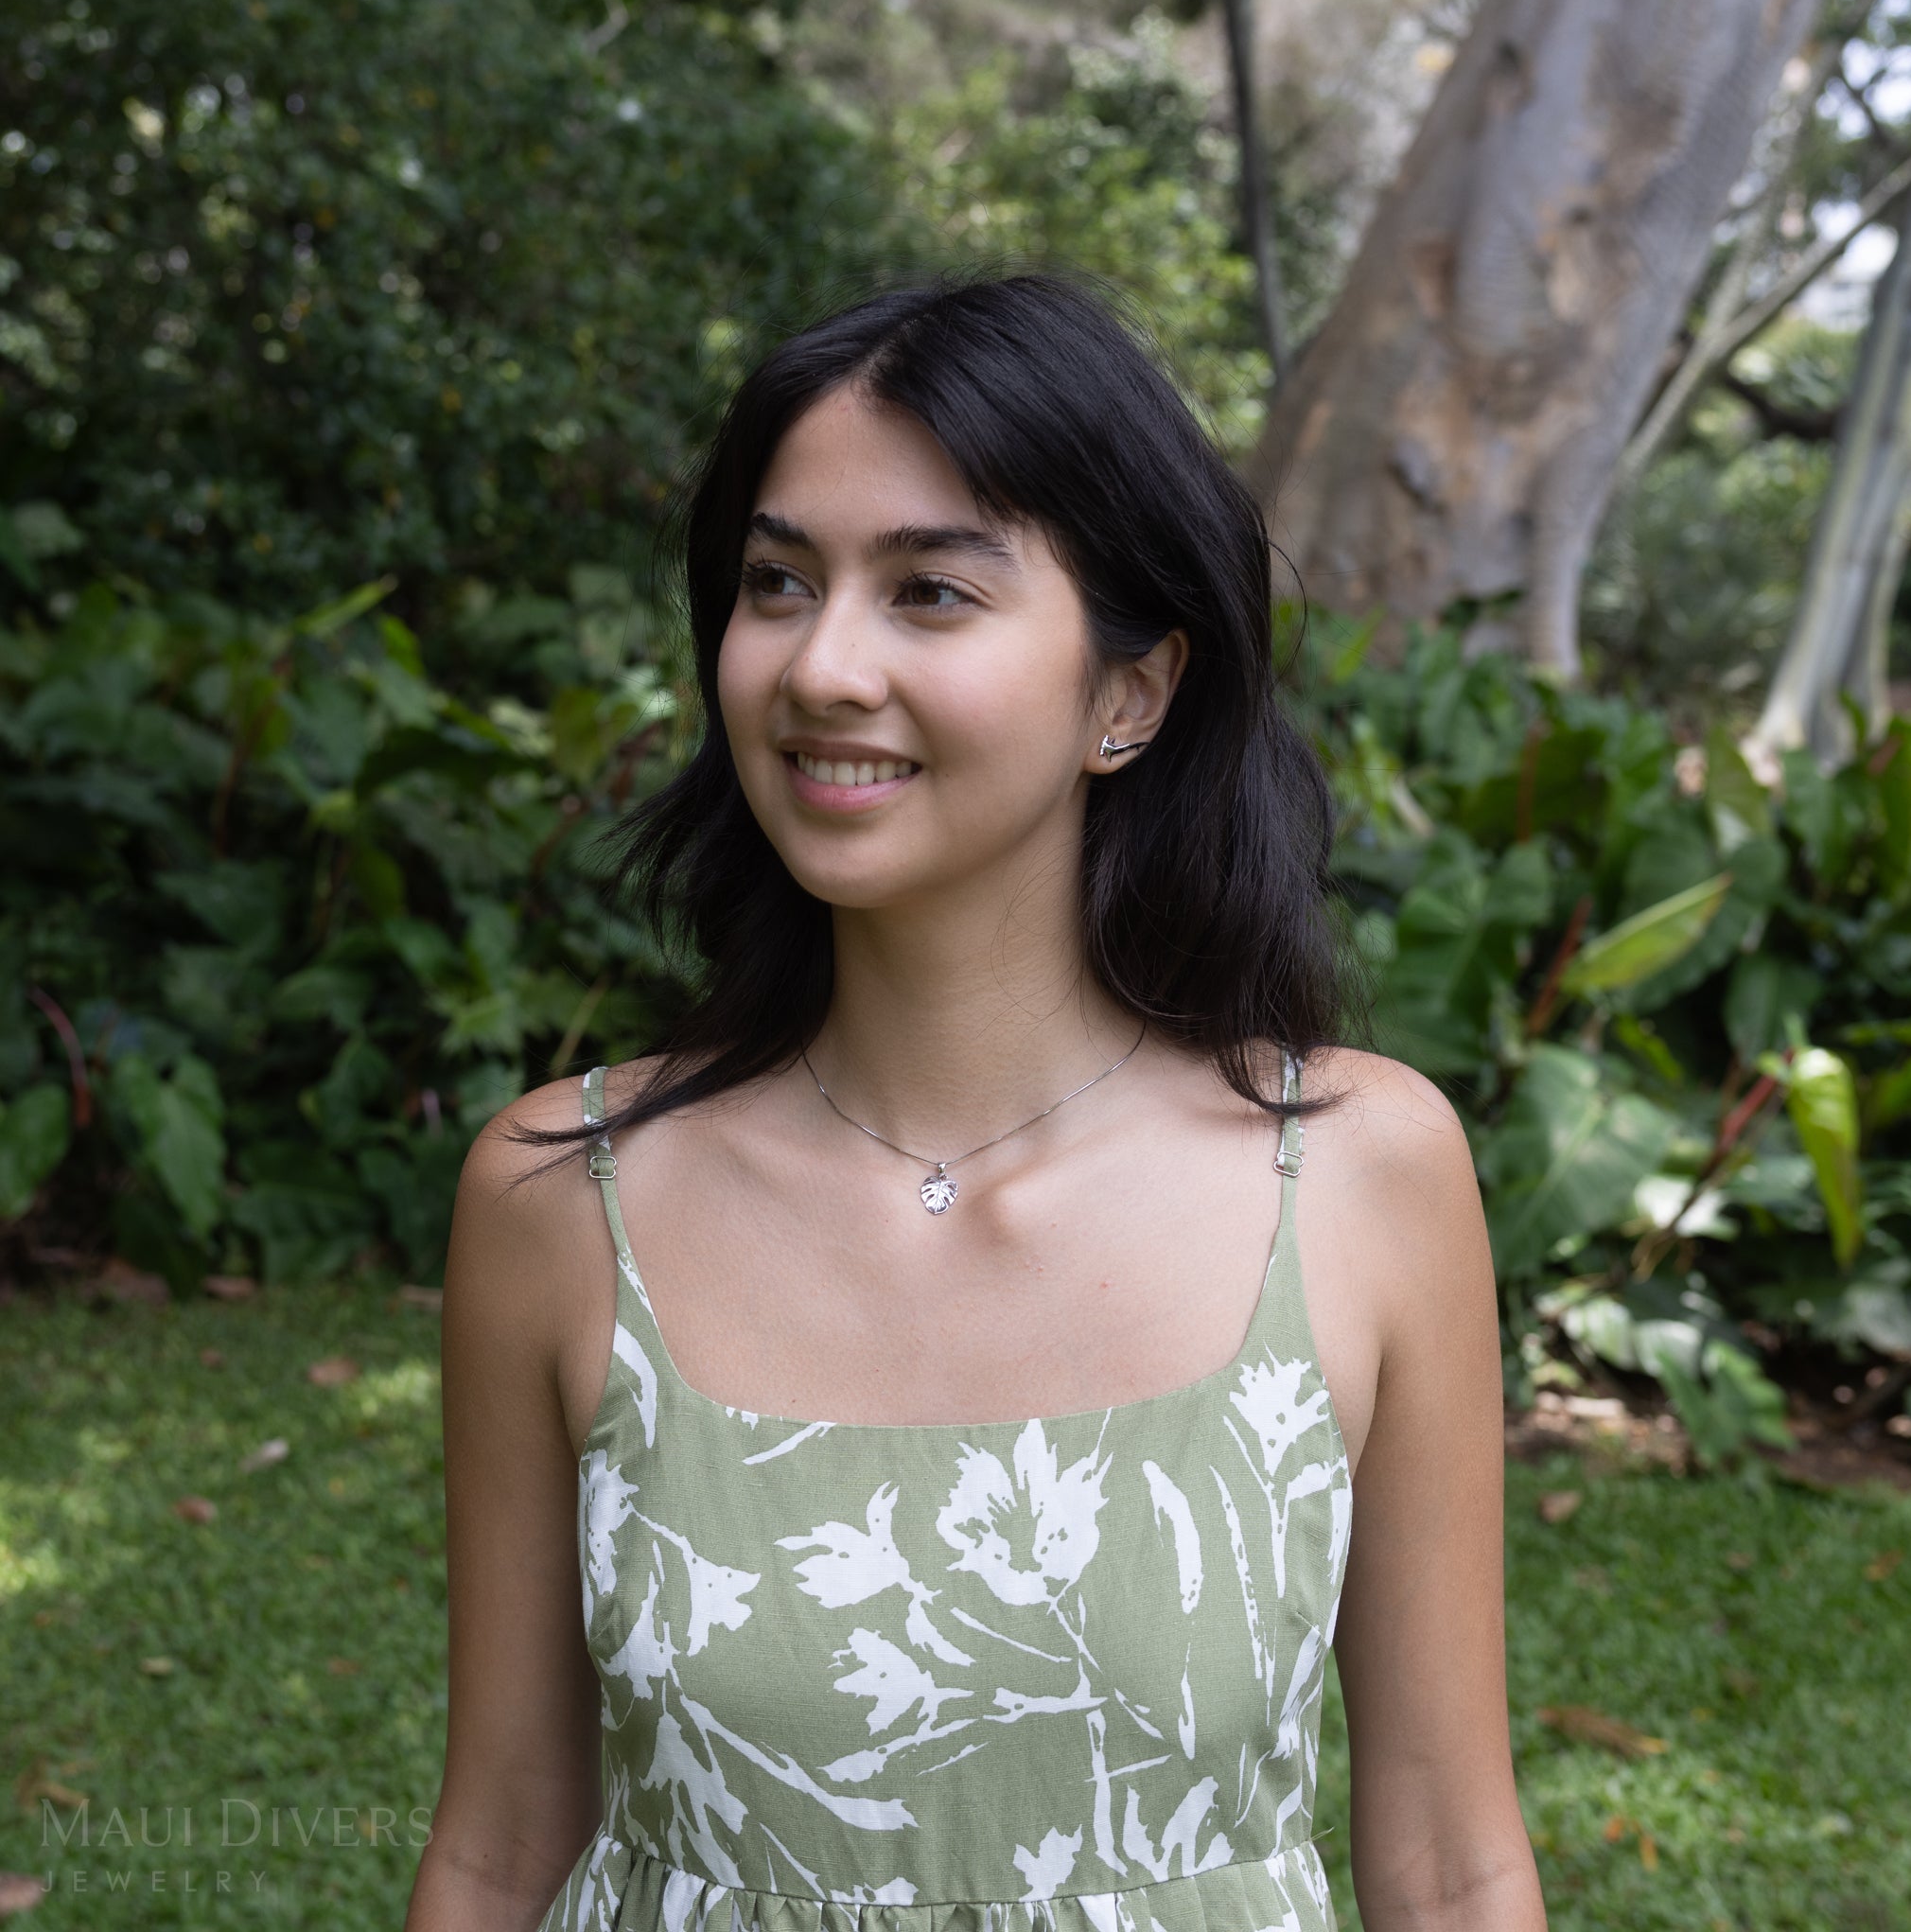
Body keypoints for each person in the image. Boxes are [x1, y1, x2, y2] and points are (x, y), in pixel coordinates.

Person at [404, 271, 1546, 1932]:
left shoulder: (1362, 1177)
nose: (823, 667)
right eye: (777, 583)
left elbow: (1451, 1864)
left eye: (930, 591)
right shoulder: (560, 1196)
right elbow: (502, 1843)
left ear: (1130, 695)